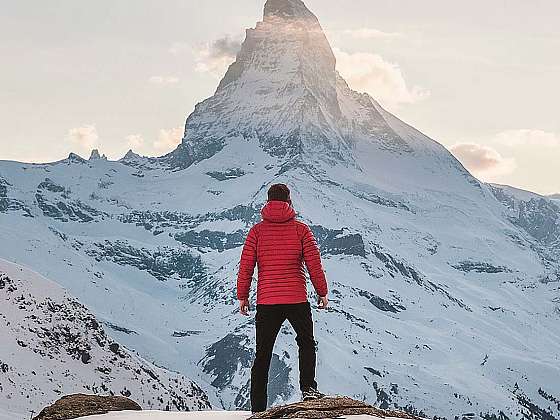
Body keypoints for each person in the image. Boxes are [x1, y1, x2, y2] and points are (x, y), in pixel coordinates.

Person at [236, 183, 329, 413]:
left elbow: (246, 266)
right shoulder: (301, 230)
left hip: (267, 302)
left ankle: (258, 408)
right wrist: (322, 292)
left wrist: (242, 296)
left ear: (267, 202)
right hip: (297, 298)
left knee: (263, 353)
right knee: (306, 343)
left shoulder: (256, 231)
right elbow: (314, 264)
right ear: (289, 201)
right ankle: (308, 389)